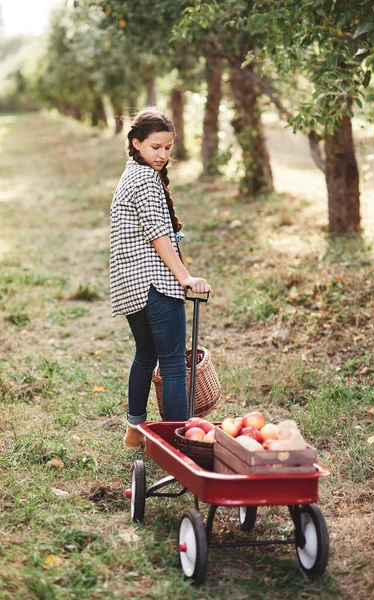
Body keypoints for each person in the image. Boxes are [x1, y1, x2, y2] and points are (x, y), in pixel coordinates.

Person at [110, 107, 211, 448]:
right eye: (156, 147)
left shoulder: (130, 174)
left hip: (130, 288)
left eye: (168, 148)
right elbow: (159, 237)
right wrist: (186, 278)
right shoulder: (145, 181)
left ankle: (135, 431)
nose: (163, 155)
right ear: (136, 143)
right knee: (172, 365)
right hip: (153, 285)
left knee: (146, 354)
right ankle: (177, 444)